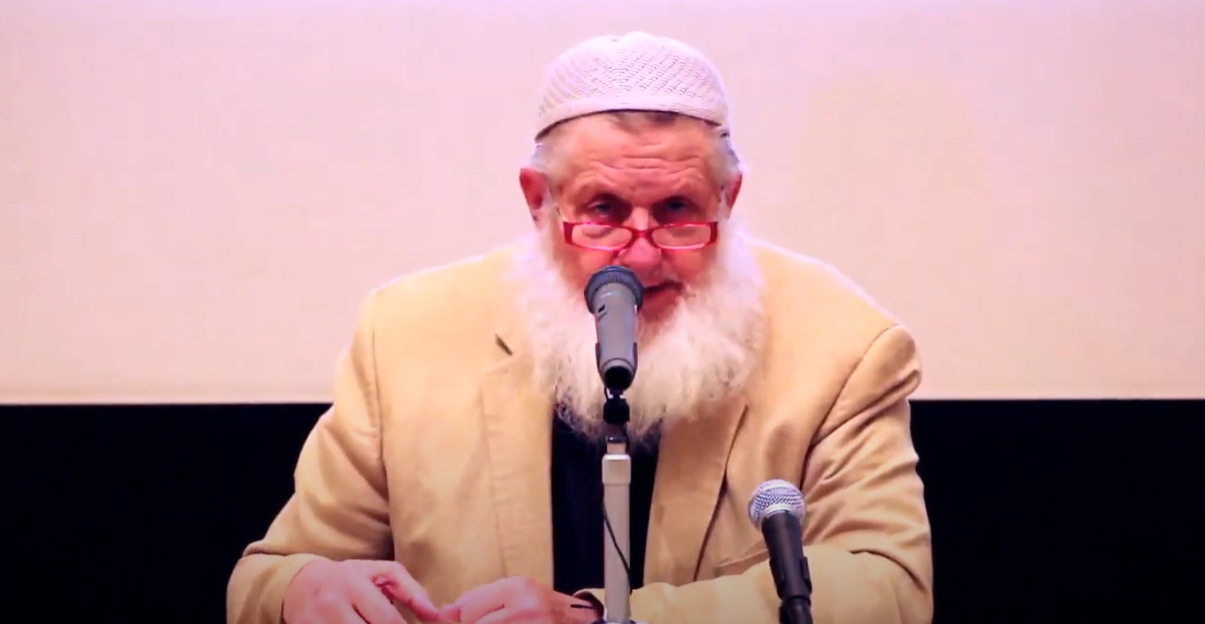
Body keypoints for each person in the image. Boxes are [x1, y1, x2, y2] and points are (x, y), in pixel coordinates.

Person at [227, 32, 932, 624]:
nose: (642, 255)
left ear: (728, 198)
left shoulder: (842, 347)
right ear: (538, 200)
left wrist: (601, 621)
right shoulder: (406, 334)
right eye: (603, 210)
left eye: (678, 210)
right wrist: (303, 590)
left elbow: (889, 585)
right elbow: (267, 576)